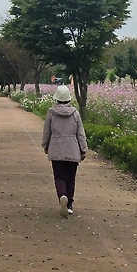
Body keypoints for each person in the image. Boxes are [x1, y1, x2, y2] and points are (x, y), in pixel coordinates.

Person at [42, 84, 88, 216]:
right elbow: (80, 133)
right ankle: (69, 205)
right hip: (73, 149)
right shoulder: (75, 113)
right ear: (68, 99)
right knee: (71, 178)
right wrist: (83, 149)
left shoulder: (51, 113)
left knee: (59, 176)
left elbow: (47, 131)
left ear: (56, 99)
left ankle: (62, 196)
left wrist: (45, 145)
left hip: (56, 149)